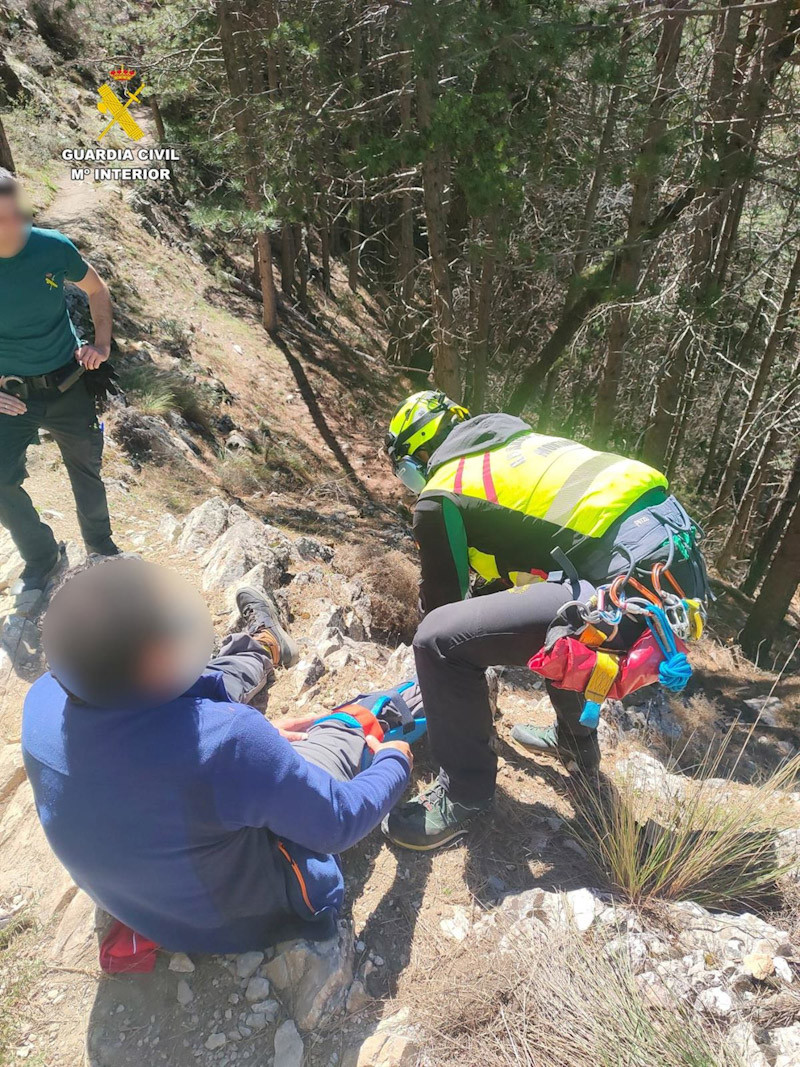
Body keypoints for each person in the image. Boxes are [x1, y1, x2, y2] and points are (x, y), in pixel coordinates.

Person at [21, 560, 415, 952]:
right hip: (232, 921)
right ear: (152, 658)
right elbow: (338, 822)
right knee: (344, 726)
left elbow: (172, 736)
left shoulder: (43, 696)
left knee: (206, 677)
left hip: (135, 904)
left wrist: (244, 741)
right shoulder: (231, 742)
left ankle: (265, 644)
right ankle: (438, 681)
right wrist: (394, 764)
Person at [382, 390, 710, 850]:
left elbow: (442, 608)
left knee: (437, 642)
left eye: (402, 469)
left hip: (628, 580)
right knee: (562, 622)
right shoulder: (510, 448)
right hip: (674, 565)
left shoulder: (441, 491)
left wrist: (439, 681)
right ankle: (573, 743)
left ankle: (465, 794)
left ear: (418, 453)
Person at [0, 168, 119, 592]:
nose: (15, 227)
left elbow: (97, 290)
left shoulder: (53, 246)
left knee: (86, 468)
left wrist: (101, 345)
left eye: (19, 215)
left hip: (68, 381)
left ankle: (102, 551)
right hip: (9, 394)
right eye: (2, 219)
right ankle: (42, 556)